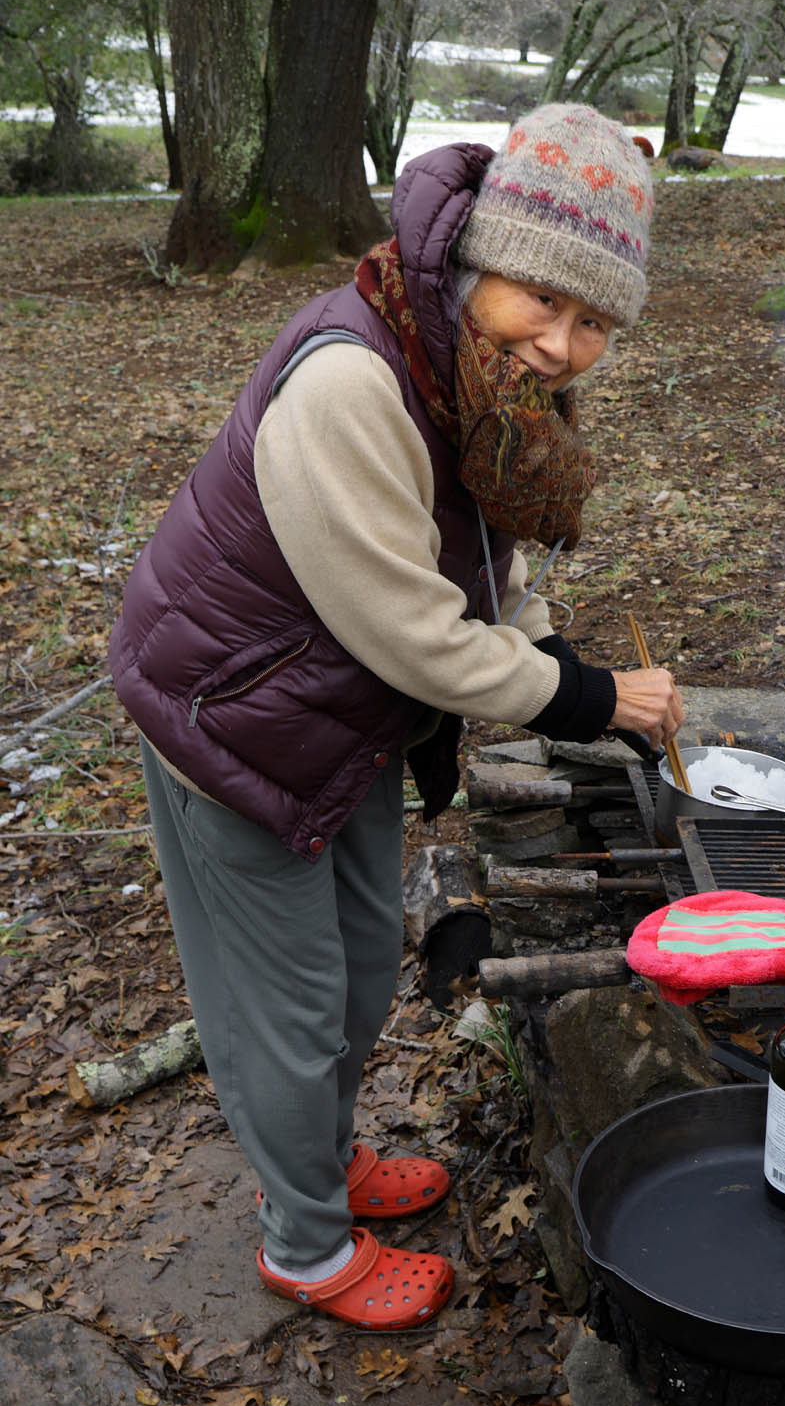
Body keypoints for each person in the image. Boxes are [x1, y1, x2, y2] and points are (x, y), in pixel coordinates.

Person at [110, 103, 683, 1332]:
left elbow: (481, 564)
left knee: (366, 968)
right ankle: (306, 1244)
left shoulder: (464, 368)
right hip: (234, 722)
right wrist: (587, 696)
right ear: (485, 261)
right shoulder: (354, 380)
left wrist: (557, 654)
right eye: (544, 299)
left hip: (338, 719)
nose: (563, 344)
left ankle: (324, 1162)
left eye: (594, 321)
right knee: (290, 1005)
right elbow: (412, 630)